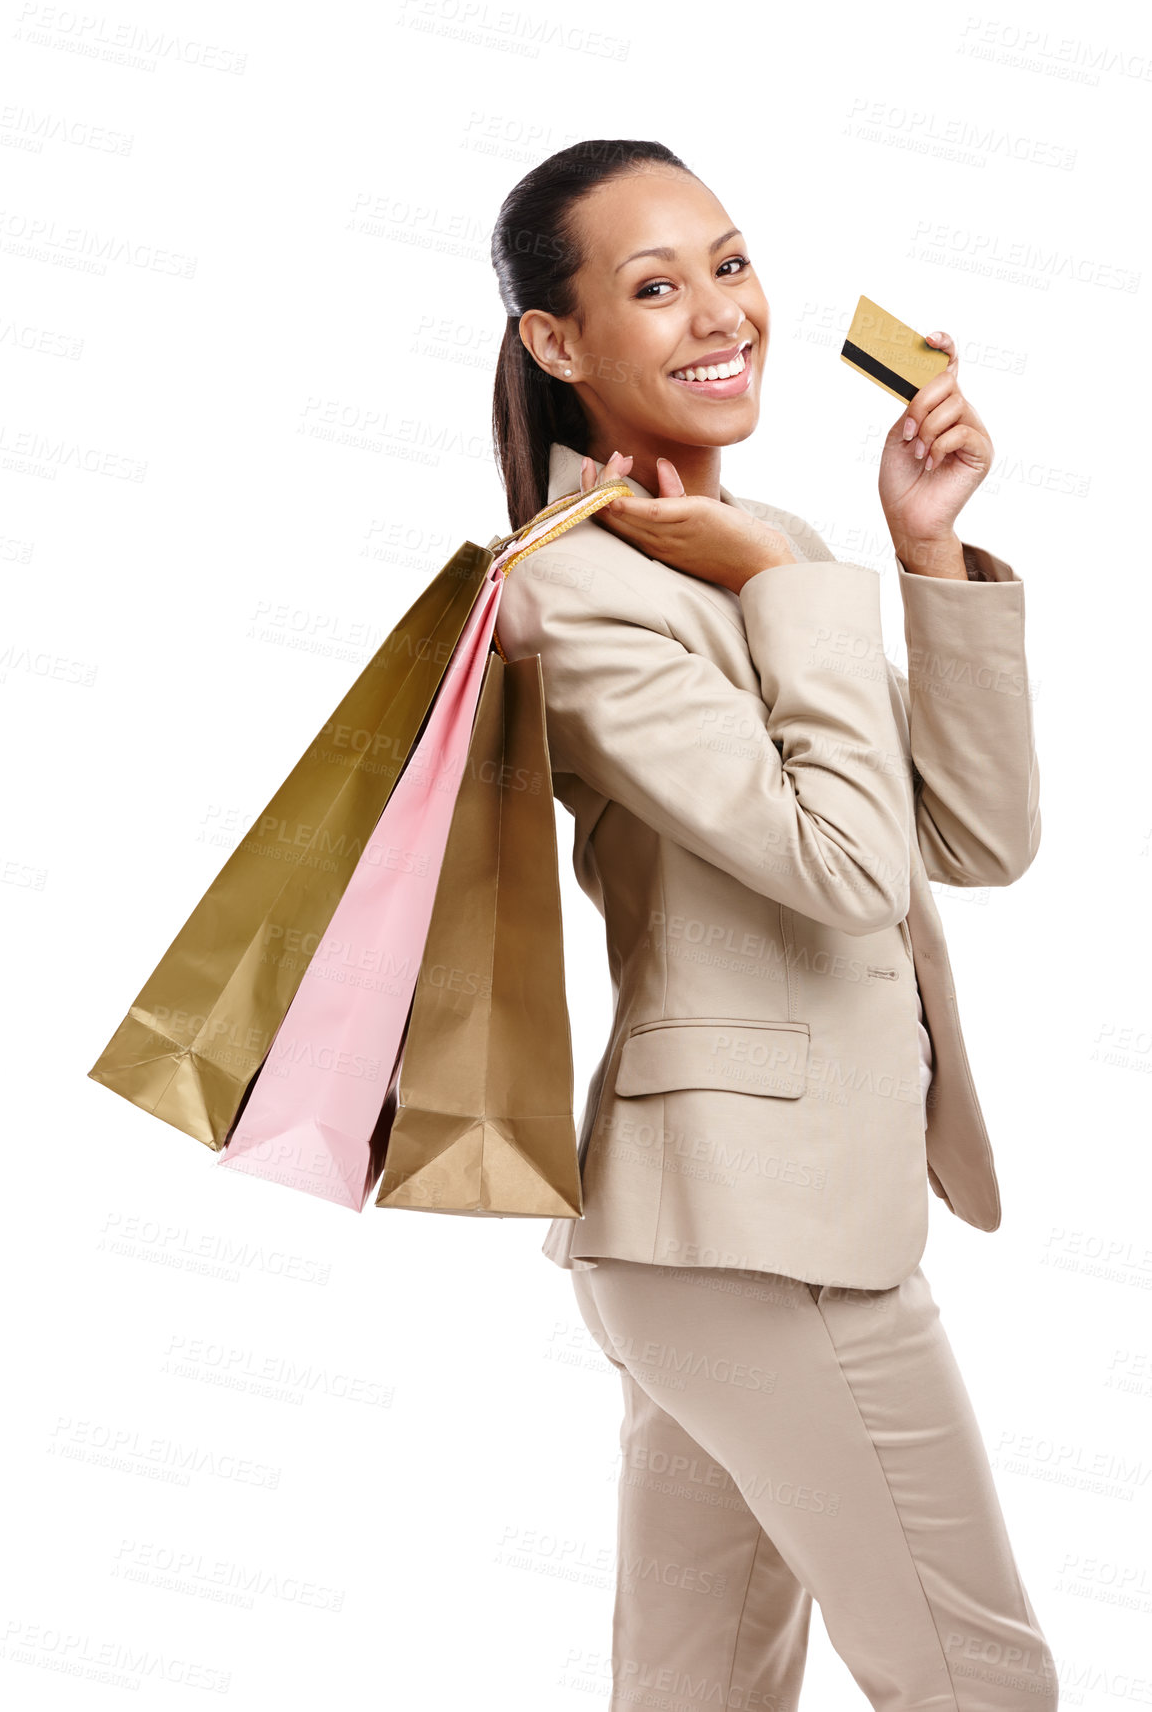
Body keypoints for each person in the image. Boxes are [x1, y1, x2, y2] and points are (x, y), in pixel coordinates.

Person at [490, 139, 1058, 1712]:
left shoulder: (764, 550)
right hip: (756, 1238)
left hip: (738, 1232)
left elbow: (972, 836)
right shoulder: (567, 596)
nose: (714, 314)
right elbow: (843, 868)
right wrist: (781, 586)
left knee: (695, 1692)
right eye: (651, 286)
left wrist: (921, 555)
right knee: (979, 1682)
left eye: (728, 265)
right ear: (555, 342)